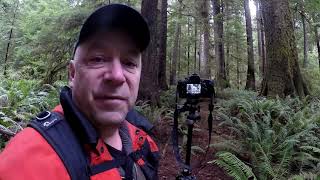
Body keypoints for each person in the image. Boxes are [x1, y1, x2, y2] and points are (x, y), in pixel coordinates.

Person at [0, 4, 159, 180]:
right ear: (73, 74)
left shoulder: (144, 142)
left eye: (129, 63)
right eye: (98, 59)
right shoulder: (27, 162)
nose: (117, 76)